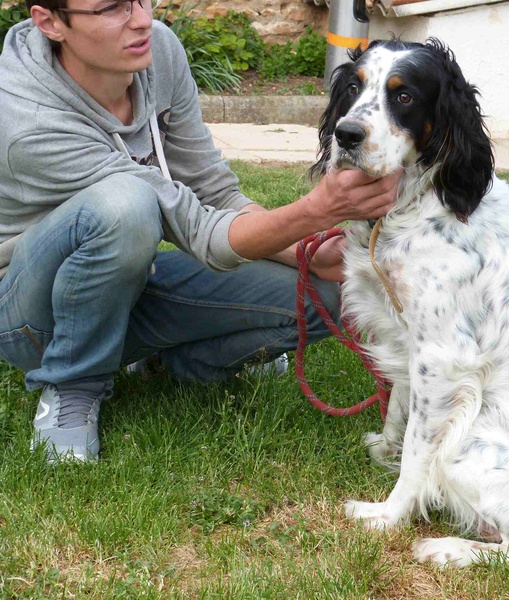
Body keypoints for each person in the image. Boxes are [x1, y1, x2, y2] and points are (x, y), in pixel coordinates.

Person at [0, 0, 399, 462]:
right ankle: (74, 383)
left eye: (141, 0)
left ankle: (174, 361)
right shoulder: (26, 120)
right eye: (111, 8)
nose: (142, 19)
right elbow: (199, 231)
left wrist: (304, 250)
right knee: (125, 205)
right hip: (29, 314)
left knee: (325, 294)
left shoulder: (156, 50)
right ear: (50, 21)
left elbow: (211, 188)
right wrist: (316, 211)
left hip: (131, 282)